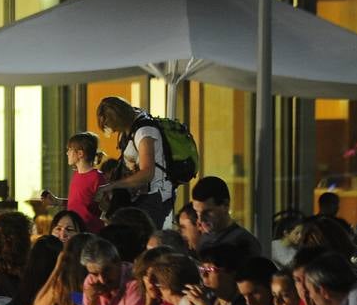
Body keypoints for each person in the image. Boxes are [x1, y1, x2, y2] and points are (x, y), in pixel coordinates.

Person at [94, 96, 173, 228]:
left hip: (154, 195)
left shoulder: (144, 131)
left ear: (117, 119)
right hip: (141, 196)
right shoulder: (131, 126)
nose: (110, 130)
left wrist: (113, 185)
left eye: (109, 125)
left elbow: (147, 173)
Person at [41, 131, 105, 233]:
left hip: (89, 231)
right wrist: (57, 201)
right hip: (75, 229)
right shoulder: (76, 175)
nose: (67, 153)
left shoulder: (97, 177)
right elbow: (79, 203)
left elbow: (103, 207)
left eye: (70, 150)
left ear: (80, 154)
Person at [191, 175, 262, 263]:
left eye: (207, 212)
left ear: (225, 205)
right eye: (197, 212)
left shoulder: (245, 243)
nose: (201, 219)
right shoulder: (201, 238)